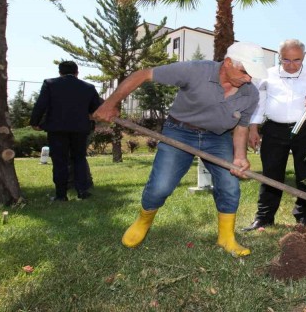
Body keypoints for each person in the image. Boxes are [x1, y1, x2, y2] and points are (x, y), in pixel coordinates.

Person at [92, 42, 267, 257]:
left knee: (230, 185)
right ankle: (143, 221)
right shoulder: (196, 70)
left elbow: (241, 127)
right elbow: (143, 74)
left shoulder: (251, 94)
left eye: (252, 75)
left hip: (218, 138)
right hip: (180, 132)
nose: (248, 79)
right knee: (161, 186)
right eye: (245, 72)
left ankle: (226, 237)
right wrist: (111, 103)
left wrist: (240, 157)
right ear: (228, 63)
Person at [243, 39, 306, 231]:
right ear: (279, 57)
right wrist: (253, 128)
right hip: (274, 129)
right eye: (286, 60)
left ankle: (303, 217)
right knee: (271, 173)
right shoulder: (267, 75)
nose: (291, 65)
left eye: (297, 60)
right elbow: (259, 103)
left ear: (304, 57)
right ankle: (264, 217)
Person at [30, 61, 102, 201]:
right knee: (79, 159)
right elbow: (95, 110)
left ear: (60, 72)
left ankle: (61, 195)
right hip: (80, 129)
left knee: (59, 161)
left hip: (57, 129)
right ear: (77, 72)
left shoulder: (50, 84)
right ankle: (82, 191)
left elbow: (40, 105)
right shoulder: (88, 87)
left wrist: (35, 122)